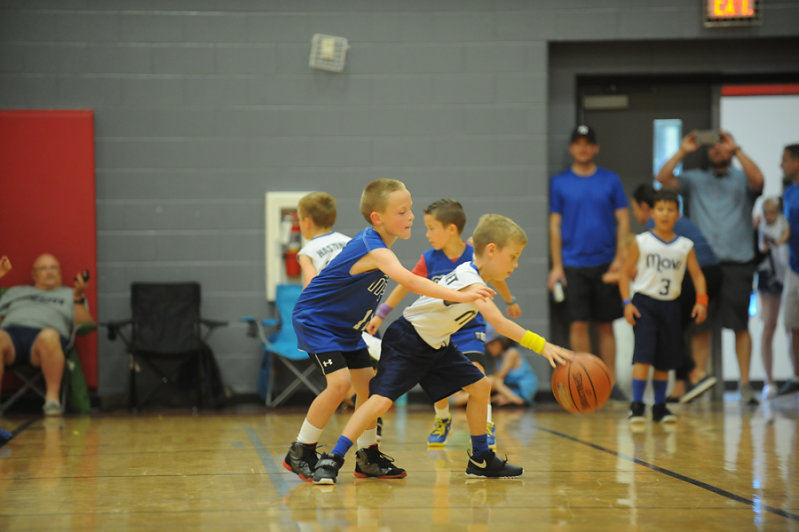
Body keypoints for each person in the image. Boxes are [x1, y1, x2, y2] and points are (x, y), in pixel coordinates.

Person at [311, 214, 573, 484]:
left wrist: (510, 298)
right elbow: (499, 323)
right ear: (492, 251)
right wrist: (544, 346)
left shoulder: (472, 270)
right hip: (408, 340)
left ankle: (481, 458)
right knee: (380, 402)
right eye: (513, 257)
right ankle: (333, 458)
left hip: (437, 344)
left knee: (480, 387)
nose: (516, 264)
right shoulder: (471, 281)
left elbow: (495, 288)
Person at [284, 179, 495, 482]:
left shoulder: (377, 246)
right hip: (317, 321)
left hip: (347, 328)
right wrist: (462, 295)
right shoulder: (374, 248)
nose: (411, 217)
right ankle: (300, 451)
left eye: (410, 209)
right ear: (378, 218)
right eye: (402, 211)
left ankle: (368, 455)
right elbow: (409, 281)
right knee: (340, 384)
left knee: (367, 388)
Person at [365, 198, 521, 449]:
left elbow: (497, 276)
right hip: (439, 329)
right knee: (440, 383)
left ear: (451, 230)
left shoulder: (474, 253)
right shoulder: (429, 259)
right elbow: (405, 284)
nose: (426, 234)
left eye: (431, 228)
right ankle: (442, 419)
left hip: (469, 327)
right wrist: (381, 314)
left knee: (478, 374)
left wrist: (509, 300)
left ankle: (486, 425)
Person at [656, 129, 764, 406]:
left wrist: (737, 149)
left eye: (722, 145)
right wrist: (682, 151)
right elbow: (663, 179)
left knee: (740, 324)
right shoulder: (695, 180)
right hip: (701, 265)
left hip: (737, 262)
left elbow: (759, 181)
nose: (717, 149)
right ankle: (698, 381)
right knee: (699, 323)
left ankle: (745, 385)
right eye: (712, 146)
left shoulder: (742, 178)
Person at [548, 124, 630, 401]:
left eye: (588, 143)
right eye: (578, 143)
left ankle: (610, 384)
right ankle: (583, 383)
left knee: (605, 325)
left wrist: (620, 259)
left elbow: (623, 220)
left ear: (595, 148)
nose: (583, 148)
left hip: (606, 263)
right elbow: (554, 225)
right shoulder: (559, 183)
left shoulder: (610, 180)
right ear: (572, 148)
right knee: (579, 324)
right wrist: (557, 265)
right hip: (573, 264)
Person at [620, 189, 708, 423]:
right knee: (643, 357)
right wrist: (627, 303)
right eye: (660, 209)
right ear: (652, 213)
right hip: (644, 304)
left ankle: (659, 407)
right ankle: (637, 405)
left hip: (670, 305)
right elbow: (624, 274)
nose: (665, 214)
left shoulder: (685, 245)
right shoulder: (641, 241)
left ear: (677, 214)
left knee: (664, 359)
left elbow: (698, 275)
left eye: (670, 210)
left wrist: (701, 301)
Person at [0, 253, 94, 415]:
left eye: (53, 268)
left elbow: (86, 326)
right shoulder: (15, 292)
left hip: (46, 342)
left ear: (60, 272)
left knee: (48, 336)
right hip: (11, 338)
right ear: (34, 274)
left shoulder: (70, 294)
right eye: (43, 268)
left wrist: (78, 297)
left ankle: (52, 400)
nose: (49, 272)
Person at [754, 197, 790, 400]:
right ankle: (769, 381)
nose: (770, 216)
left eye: (773, 212)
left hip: (789, 274)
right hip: (768, 277)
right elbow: (758, 251)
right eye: (766, 212)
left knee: (792, 327)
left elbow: (785, 238)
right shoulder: (759, 228)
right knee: (769, 326)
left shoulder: (786, 224)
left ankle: (794, 376)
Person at [296, 192, 351, 289]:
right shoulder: (349, 241)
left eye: (299, 220)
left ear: (307, 222)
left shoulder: (307, 252)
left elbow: (310, 287)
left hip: (328, 296)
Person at [778, 144, 799, 397]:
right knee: (792, 323)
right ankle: (796, 376)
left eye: (784, 160)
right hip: (794, 267)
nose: (781, 165)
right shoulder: (790, 192)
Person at [485, 326, 538, 406]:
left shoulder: (511, 353)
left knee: (492, 381)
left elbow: (500, 376)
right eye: (487, 345)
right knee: (493, 384)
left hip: (523, 387)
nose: (489, 348)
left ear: (502, 342)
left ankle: (517, 400)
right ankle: (508, 399)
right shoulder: (497, 358)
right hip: (511, 387)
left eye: (492, 344)